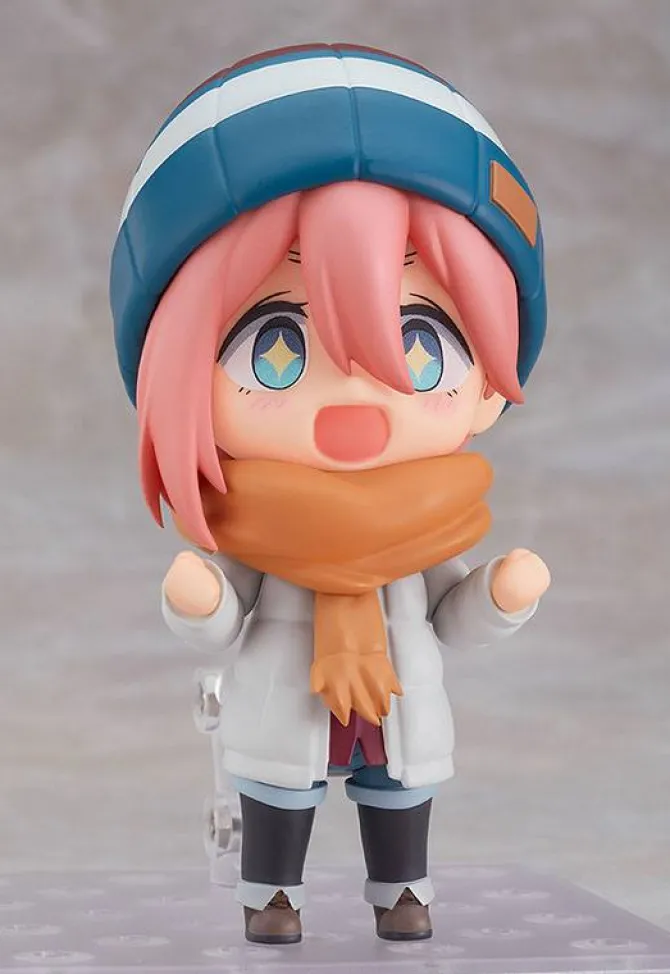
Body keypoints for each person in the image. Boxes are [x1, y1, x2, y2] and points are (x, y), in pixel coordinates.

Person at [110, 43, 550, 945]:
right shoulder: (252, 535)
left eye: (420, 345)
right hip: (286, 704)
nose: (356, 399)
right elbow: (225, 615)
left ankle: (402, 889)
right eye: (274, 348)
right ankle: (272, 894)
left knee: (400, 793)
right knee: (279, 792)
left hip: (396, 705)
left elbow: (452, 618)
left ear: (489, 388)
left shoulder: (427, 536)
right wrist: (197, 600)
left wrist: (501, 598)